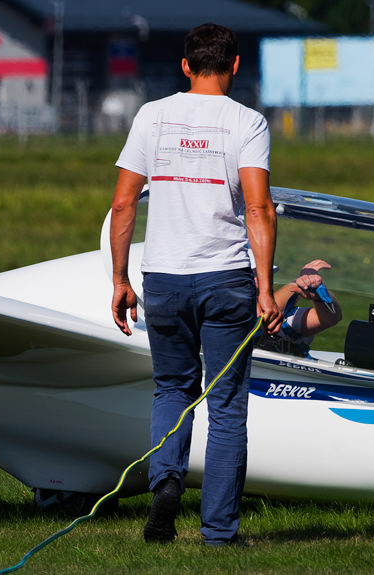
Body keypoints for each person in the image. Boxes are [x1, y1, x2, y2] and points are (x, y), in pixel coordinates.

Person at [109, 22, 282, 547]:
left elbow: (122, 204)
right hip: (225, 277)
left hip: (162, 276)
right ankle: (219, 532)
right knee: (226, 404)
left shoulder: (152, 115)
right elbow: (257, 207)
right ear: (234, 65)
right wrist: (266, 287)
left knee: (171, 389)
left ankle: (165, 487)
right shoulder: (247, 122)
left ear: (185, 66)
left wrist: (119, 279)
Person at [257, 259, 343, 357]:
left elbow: (330, 318)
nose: (258, 281)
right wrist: (296, 284)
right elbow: (257, 314)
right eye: (250, 275)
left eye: (262, 275)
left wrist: (318, 292)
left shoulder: (285, 316)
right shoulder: (239, 312)